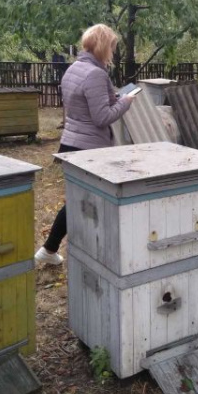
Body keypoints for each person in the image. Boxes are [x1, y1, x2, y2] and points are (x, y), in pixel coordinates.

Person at [35, 24, 134, 265]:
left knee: (78, 200)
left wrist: (114, 98)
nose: (112, 52)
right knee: (84, 201)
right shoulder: (96, 74)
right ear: (102, 46)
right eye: (111, 47)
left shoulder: (74, 69)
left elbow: (82, 105)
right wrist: (126, 102)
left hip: (71, 142)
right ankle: (53, 250)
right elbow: (102, 118)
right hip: (89, 148)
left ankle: (50, 250)